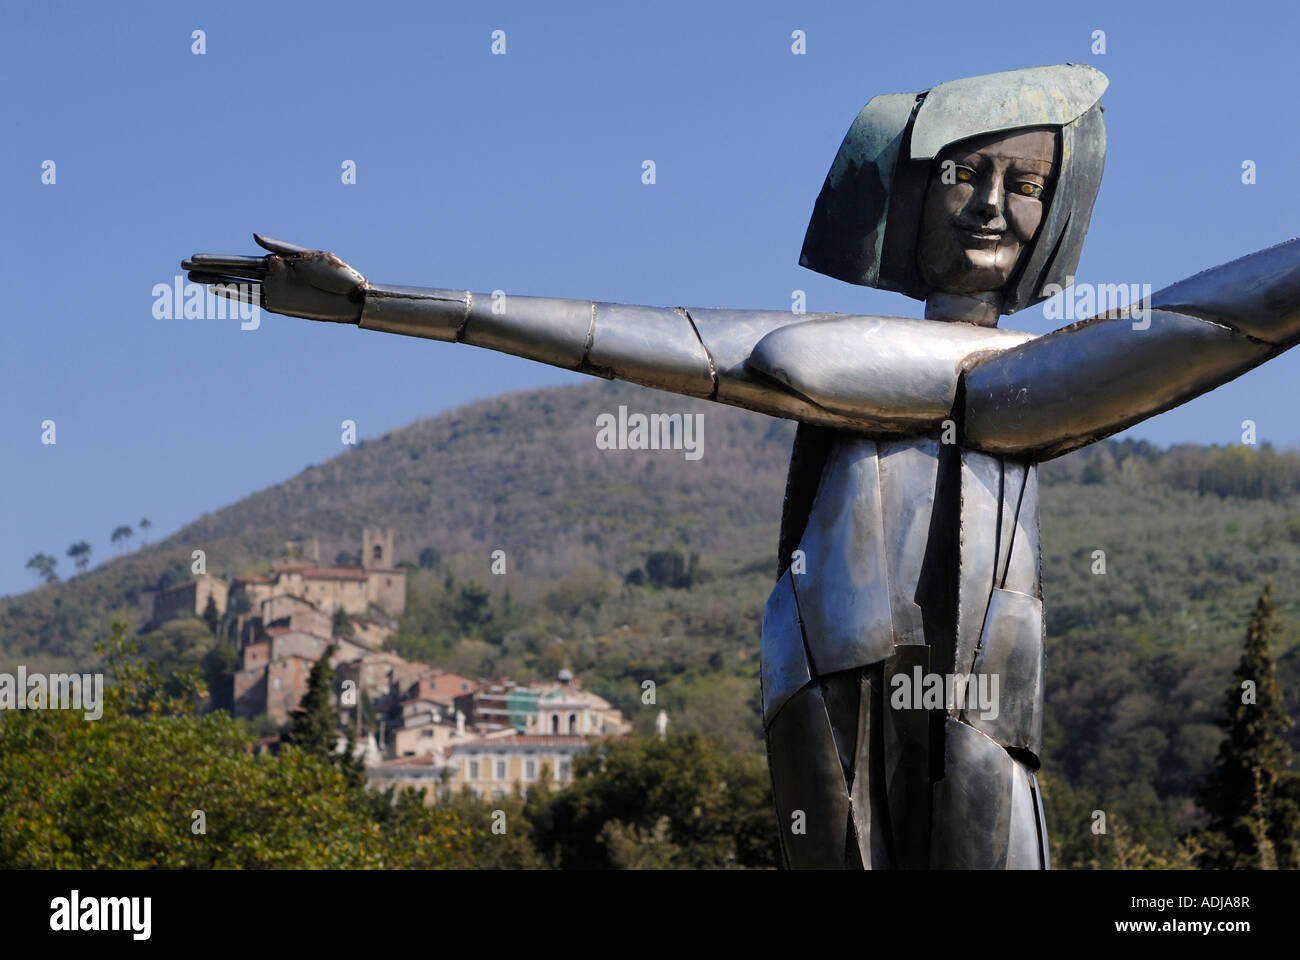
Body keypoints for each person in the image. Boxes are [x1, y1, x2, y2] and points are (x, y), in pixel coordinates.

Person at [183, 64, 1300, 868]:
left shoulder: (1028, 377)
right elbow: (623, 335)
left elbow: (1183, 329)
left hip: (978, 690)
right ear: (908, 196)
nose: (991, 205)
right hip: (820, 670)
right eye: (964, 172)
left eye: (1022, 182)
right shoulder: (886, 365)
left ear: (1060, 210)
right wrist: (382, 305)